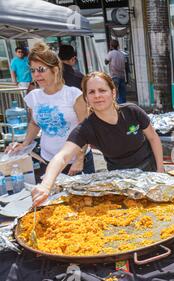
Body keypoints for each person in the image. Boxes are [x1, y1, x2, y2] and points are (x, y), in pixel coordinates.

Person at [32, 71, 164, 207]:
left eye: (102, 90)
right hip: (120, 179)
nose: (97, 96)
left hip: (149, 171)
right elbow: (62, 156)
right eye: (91, 92)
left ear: (113, 93)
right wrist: (46, 185)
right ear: (86, 98)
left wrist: (160, 170)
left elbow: (153, 138)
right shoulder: (86, 128)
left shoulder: (132, 111)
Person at [6, 42, 95, 181]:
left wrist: (80, 158)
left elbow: (85, 128)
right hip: (48, 160)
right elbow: (35, 124)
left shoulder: (73, 94)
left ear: (55, 69)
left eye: (41, 69)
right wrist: (25, 144)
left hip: (75, 162)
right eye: (33, 70)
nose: (36, 75)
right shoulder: (34, 96)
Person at [105, 39, 127, 104]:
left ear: (111, 46)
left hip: (114, 76)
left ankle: (116, 107)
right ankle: (123, 106)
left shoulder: (111, 53)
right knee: (122, 93)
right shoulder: (121, 53)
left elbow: (106, 62)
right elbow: (125, 63)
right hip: (122, 75)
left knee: (114, 93)